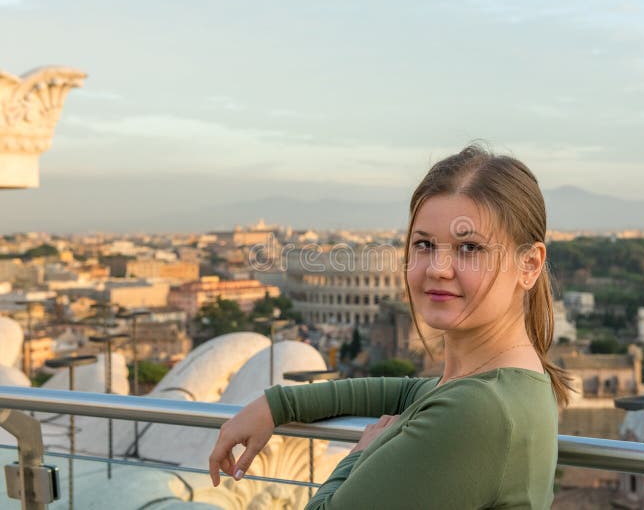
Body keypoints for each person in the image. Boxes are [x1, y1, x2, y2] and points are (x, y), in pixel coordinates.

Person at [208, 144, 573, 509]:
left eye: (470, 248)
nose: (437, 268)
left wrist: (361, 454)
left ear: (528, 264)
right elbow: (408, 393)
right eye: (425, 244)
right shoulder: (504, 383)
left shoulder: (479, 411)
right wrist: (278, 405)